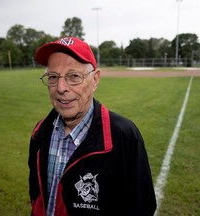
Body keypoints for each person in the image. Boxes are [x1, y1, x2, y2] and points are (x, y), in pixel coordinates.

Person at [28, 36, 157, 216]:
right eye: (53, 77)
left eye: (74, 76)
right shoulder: (40, 133)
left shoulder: (124, 136)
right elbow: (37, 194)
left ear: (95, 80)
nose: (61, 87)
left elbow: (142, 207)